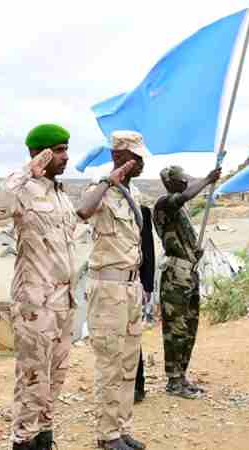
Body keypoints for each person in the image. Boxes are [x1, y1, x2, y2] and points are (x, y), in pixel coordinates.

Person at [0, 124, 77, 450]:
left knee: (55, 378)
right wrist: (27, 171)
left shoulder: (60, 193)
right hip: (35, 303)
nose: (65, 156)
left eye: (67, 148)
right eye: (58, 149)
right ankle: (23, 440)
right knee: (32, 380)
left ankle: (44, 437)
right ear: (39, 152)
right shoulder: (22, 189)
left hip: (63, 301)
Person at [76, 130, 149, 450]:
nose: (143, 162)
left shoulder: (135, 194)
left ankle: (121, 428)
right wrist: (109, 179)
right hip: (107, 287)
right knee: (110, 363)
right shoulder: (101, 189)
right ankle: (106, 436)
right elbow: (82, 210)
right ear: (120, 157)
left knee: (128, 362)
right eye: (137, 157)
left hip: (130, 286)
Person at [153, 165, 221, 399]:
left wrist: (194, 252)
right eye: (182, 180)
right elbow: (183, 197)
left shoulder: (180, 210)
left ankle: (182, 376)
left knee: (189, 327)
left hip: (189, 273)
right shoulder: (164, 203)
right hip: (175, 276)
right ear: (170, 182)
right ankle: (173, 381)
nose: (185, 183)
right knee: (176, 329)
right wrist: (207, 179)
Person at [134, 204, 156, 404]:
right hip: (110, 283)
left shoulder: (141, 209)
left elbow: (147, 246)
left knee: (132, 337)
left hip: (134, 283)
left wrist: (147, 283)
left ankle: (137, 386)